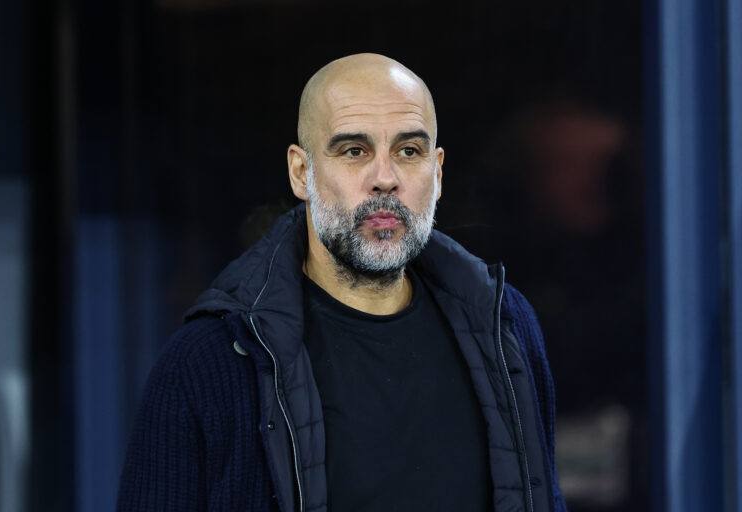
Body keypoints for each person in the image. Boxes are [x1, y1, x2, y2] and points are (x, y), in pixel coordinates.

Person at [117, 53, 567, 512]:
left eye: (408, 151)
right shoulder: (210, 361)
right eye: (354, 151)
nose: (386, 179)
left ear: (438, 172)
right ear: (300, 172)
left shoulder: (505, 326)